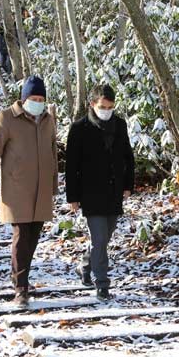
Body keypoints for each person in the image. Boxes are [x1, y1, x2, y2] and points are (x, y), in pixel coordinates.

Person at [0, 76, 59, 306]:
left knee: (34, 236)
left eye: (41, 99)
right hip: (17, 188)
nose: (37, 102)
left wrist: (53, 184)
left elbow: (53, 152)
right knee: (22, 236)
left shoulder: (48, 120)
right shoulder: (6, 118)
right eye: (33, 98)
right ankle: (21, 288)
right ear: (24, 98)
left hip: (41, 189)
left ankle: (20, 275)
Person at [65, 84, 135, 301]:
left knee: (104, 238)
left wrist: (128, 185)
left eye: (111, 106)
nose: (107, 110)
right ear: (92, 105)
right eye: (103, 106)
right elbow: (71, 165)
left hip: (114, 192)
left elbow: (128, 157)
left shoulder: (120, 125)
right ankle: (102, 284)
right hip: (91, 193)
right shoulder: (79, 128)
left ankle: (85, 265)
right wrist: (73, 197)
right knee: (99, 237)